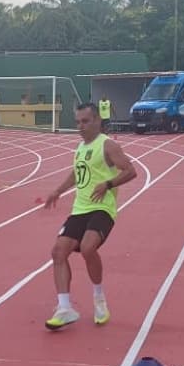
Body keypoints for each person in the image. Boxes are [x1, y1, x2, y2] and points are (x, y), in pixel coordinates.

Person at [43, 102, 138, 330]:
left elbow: (131, 171)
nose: (81, 126)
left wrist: (108, 184)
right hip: (80, 208)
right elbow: (77, 173)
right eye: (77, 122)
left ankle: (99, 299)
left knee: (87, 248)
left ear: (97, 120)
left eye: (85, 121)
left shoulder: (108, 145)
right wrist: (57, 190)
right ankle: (65, 308)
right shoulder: (80, 147)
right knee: (58, 251)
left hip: (102, 208)